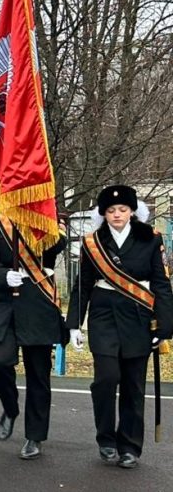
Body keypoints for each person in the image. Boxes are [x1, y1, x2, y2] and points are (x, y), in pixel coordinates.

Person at [67, 185, 173, 469]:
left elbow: (161, 284)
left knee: (133, 386)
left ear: (132, 211)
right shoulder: (93, 242)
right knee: (106, 379)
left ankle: (130, 447)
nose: (117, 215)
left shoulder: (151, 239)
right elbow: (83, 285)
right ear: (103, 214)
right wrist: (75, 324)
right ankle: (106, 439)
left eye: (122, 210)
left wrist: (164, 325)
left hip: (139, 318)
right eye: (111, 211)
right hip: (103, 317)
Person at [0, 214, 67, 460]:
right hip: (5, 304)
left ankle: (35, 436)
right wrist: (4, 275)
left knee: (38, 373)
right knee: (1, 361)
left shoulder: (46, 221)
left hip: (38, 304)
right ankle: (10, 407)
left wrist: (53, 227)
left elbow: (57, 246)